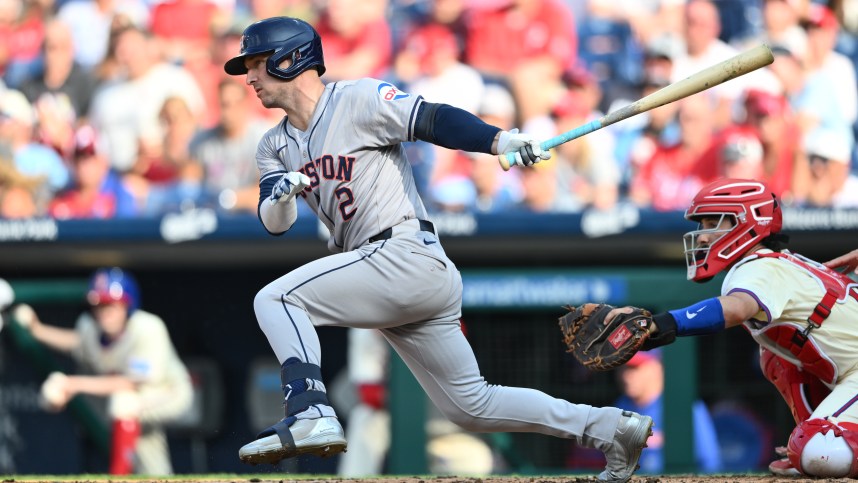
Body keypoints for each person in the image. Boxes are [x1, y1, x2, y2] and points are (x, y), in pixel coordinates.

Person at [223, 16, 652, 482]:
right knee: (473, 407)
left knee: (277, 298)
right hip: (390, 276)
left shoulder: (356, 99)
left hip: (403, 252)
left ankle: (309, 412)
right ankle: (611, 428)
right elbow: (275, 223)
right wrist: (281, 196)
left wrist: (499, 139)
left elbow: (433, 119)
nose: (250, 77)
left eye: (259, 64)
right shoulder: (273, 145)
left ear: (293, 59)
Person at [604, 177, 858, 478]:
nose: (701, 237)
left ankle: (819, 439)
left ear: (746, 223)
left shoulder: (756, 267)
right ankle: (818, 430)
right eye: (702, 225)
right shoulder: (773, 263)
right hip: (850, 373)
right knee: (774, 356)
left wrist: (662, 323)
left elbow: (737, 308)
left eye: (714, 222)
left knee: (818, 453)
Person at [12, 267, 193, 475]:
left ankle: (117, 477)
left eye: (112, 304)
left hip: (171, 393)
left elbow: (130, 383)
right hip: (138, 401)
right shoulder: (90, 327)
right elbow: (76, 343)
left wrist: (72, 384)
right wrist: (37, 330)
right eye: (99, 304)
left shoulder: (147, 328)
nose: (105, 311)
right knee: (151, 463)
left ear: (128, 304)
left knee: (124, 402)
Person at [613, 350, 722, 473]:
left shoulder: (682, 405)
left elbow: (710, 461)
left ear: (658, 367)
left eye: (634, 368)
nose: (625, 376)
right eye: (622, 368)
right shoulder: (620, 406)